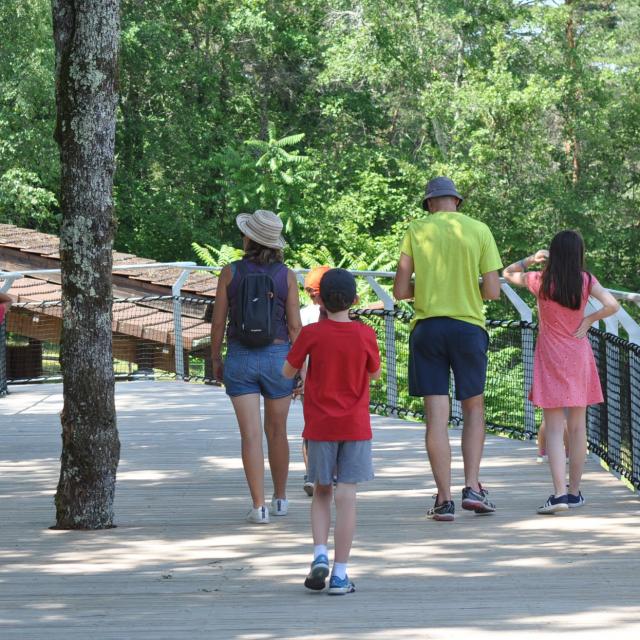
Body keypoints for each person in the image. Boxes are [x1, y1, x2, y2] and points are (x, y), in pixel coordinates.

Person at [393, 176, 503, 521]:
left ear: (429, 203)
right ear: (456, 201)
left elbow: (398, 290)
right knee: (474, 409)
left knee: (436, 419)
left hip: (428, 329)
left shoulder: (416, 230)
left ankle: (443, 499)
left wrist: (426, 289)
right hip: (468, 329)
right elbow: (493, 291)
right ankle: (472, 486)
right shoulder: (479, 230)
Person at [503, 230, 619, 514]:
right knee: (578, 428)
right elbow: (612, 305)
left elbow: (507, 273)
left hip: (550, 357)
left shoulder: (539, 280)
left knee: (555, 429)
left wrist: (531, 258)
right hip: (579, 355)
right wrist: (590, 319)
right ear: (579, 254)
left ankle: (558, 495)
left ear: (553, 253)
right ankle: (575, 492)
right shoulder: (585, 280)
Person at [283, 268, 381, 595]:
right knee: (347, 495)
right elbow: (375, 374)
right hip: (355, 426)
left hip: (320, 425)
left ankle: (319, 554)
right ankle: (340, 574)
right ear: (355, 300)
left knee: (322, 491)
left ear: (320, 300)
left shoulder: (311, 334)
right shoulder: (366, 335)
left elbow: (287, 371)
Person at [210, 209, 302, 524]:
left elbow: (219, 322)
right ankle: (280, 499)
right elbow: (294, 328)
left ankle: (259, 507)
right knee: (277, 432)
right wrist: (300, 367)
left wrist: (216, 358)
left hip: (241, 357)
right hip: (279, 360)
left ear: (249, 238)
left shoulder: (230, 272)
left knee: (250, 435)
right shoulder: (286, 275)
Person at [299, 265, 331, 496]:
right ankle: (317, 473)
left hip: (312, 381)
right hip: (321, 381)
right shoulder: (346, 316)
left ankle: (314, 473)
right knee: (321, 428)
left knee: (312, 427)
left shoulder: (303, 314)